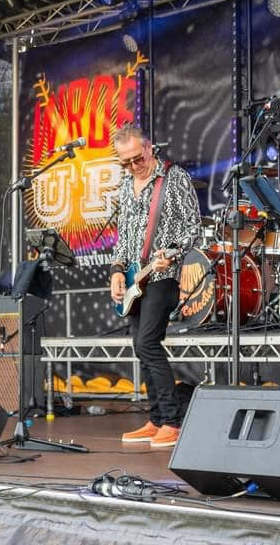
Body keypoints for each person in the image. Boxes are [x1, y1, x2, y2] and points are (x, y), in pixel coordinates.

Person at [109, 125, 201, 449]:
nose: (133, 166)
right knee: (139, 346)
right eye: (126, 162)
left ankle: (172, 422)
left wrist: (172, 253)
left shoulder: (173, 178)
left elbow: (193, 227)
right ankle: (156, 419)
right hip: (135, 278)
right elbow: (123, 235)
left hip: (164, 276)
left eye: (137, 158)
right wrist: (117, 271)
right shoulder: (125, 184)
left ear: (149, 149)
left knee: (148, 342)